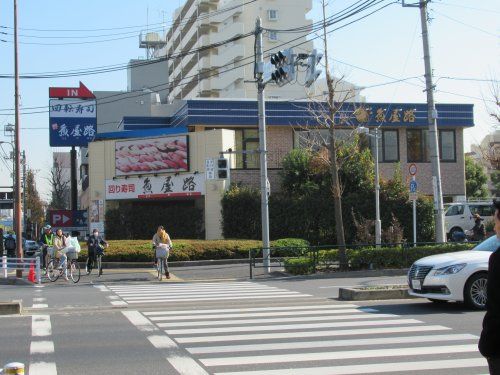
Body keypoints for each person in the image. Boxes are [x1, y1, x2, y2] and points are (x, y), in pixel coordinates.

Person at [479, 200, 500, 374]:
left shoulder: (498, 259)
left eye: (496, 222)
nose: (494, 228)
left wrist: (487, 345)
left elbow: (495, 307)